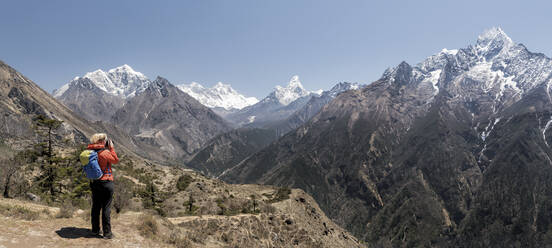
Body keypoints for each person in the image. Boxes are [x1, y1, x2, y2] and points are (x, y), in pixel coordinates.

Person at [87, 133, 119, 239]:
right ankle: (107, 233)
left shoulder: (90, 152)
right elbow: (115, 160)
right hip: (106, 182)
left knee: (95, 207)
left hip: (94, 182)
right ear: (102, 141)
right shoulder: (104, 152)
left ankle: (95, 230)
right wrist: (112, 148)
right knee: (106, 207)